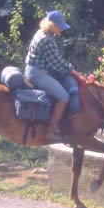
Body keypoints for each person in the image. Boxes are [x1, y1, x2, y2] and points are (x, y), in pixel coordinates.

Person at [24, 10, 82, 141]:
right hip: (38, 73)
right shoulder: (46, 40)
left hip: (33, 70)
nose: (62, 28)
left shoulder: (42, 33)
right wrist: (74, 72)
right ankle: (51, 129)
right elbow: (56, 63)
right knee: (63, 96)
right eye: (59, 25)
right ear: (51, 25)